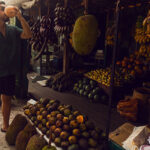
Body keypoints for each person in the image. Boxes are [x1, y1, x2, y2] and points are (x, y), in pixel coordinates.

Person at [0, 1, 32, 132]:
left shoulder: (12, 29)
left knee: (6, 99)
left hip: (8, 72)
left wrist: (20, 17)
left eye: (4, 8)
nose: (5, 10)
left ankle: (5, 125)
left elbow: (28, 34)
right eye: (1, 9)